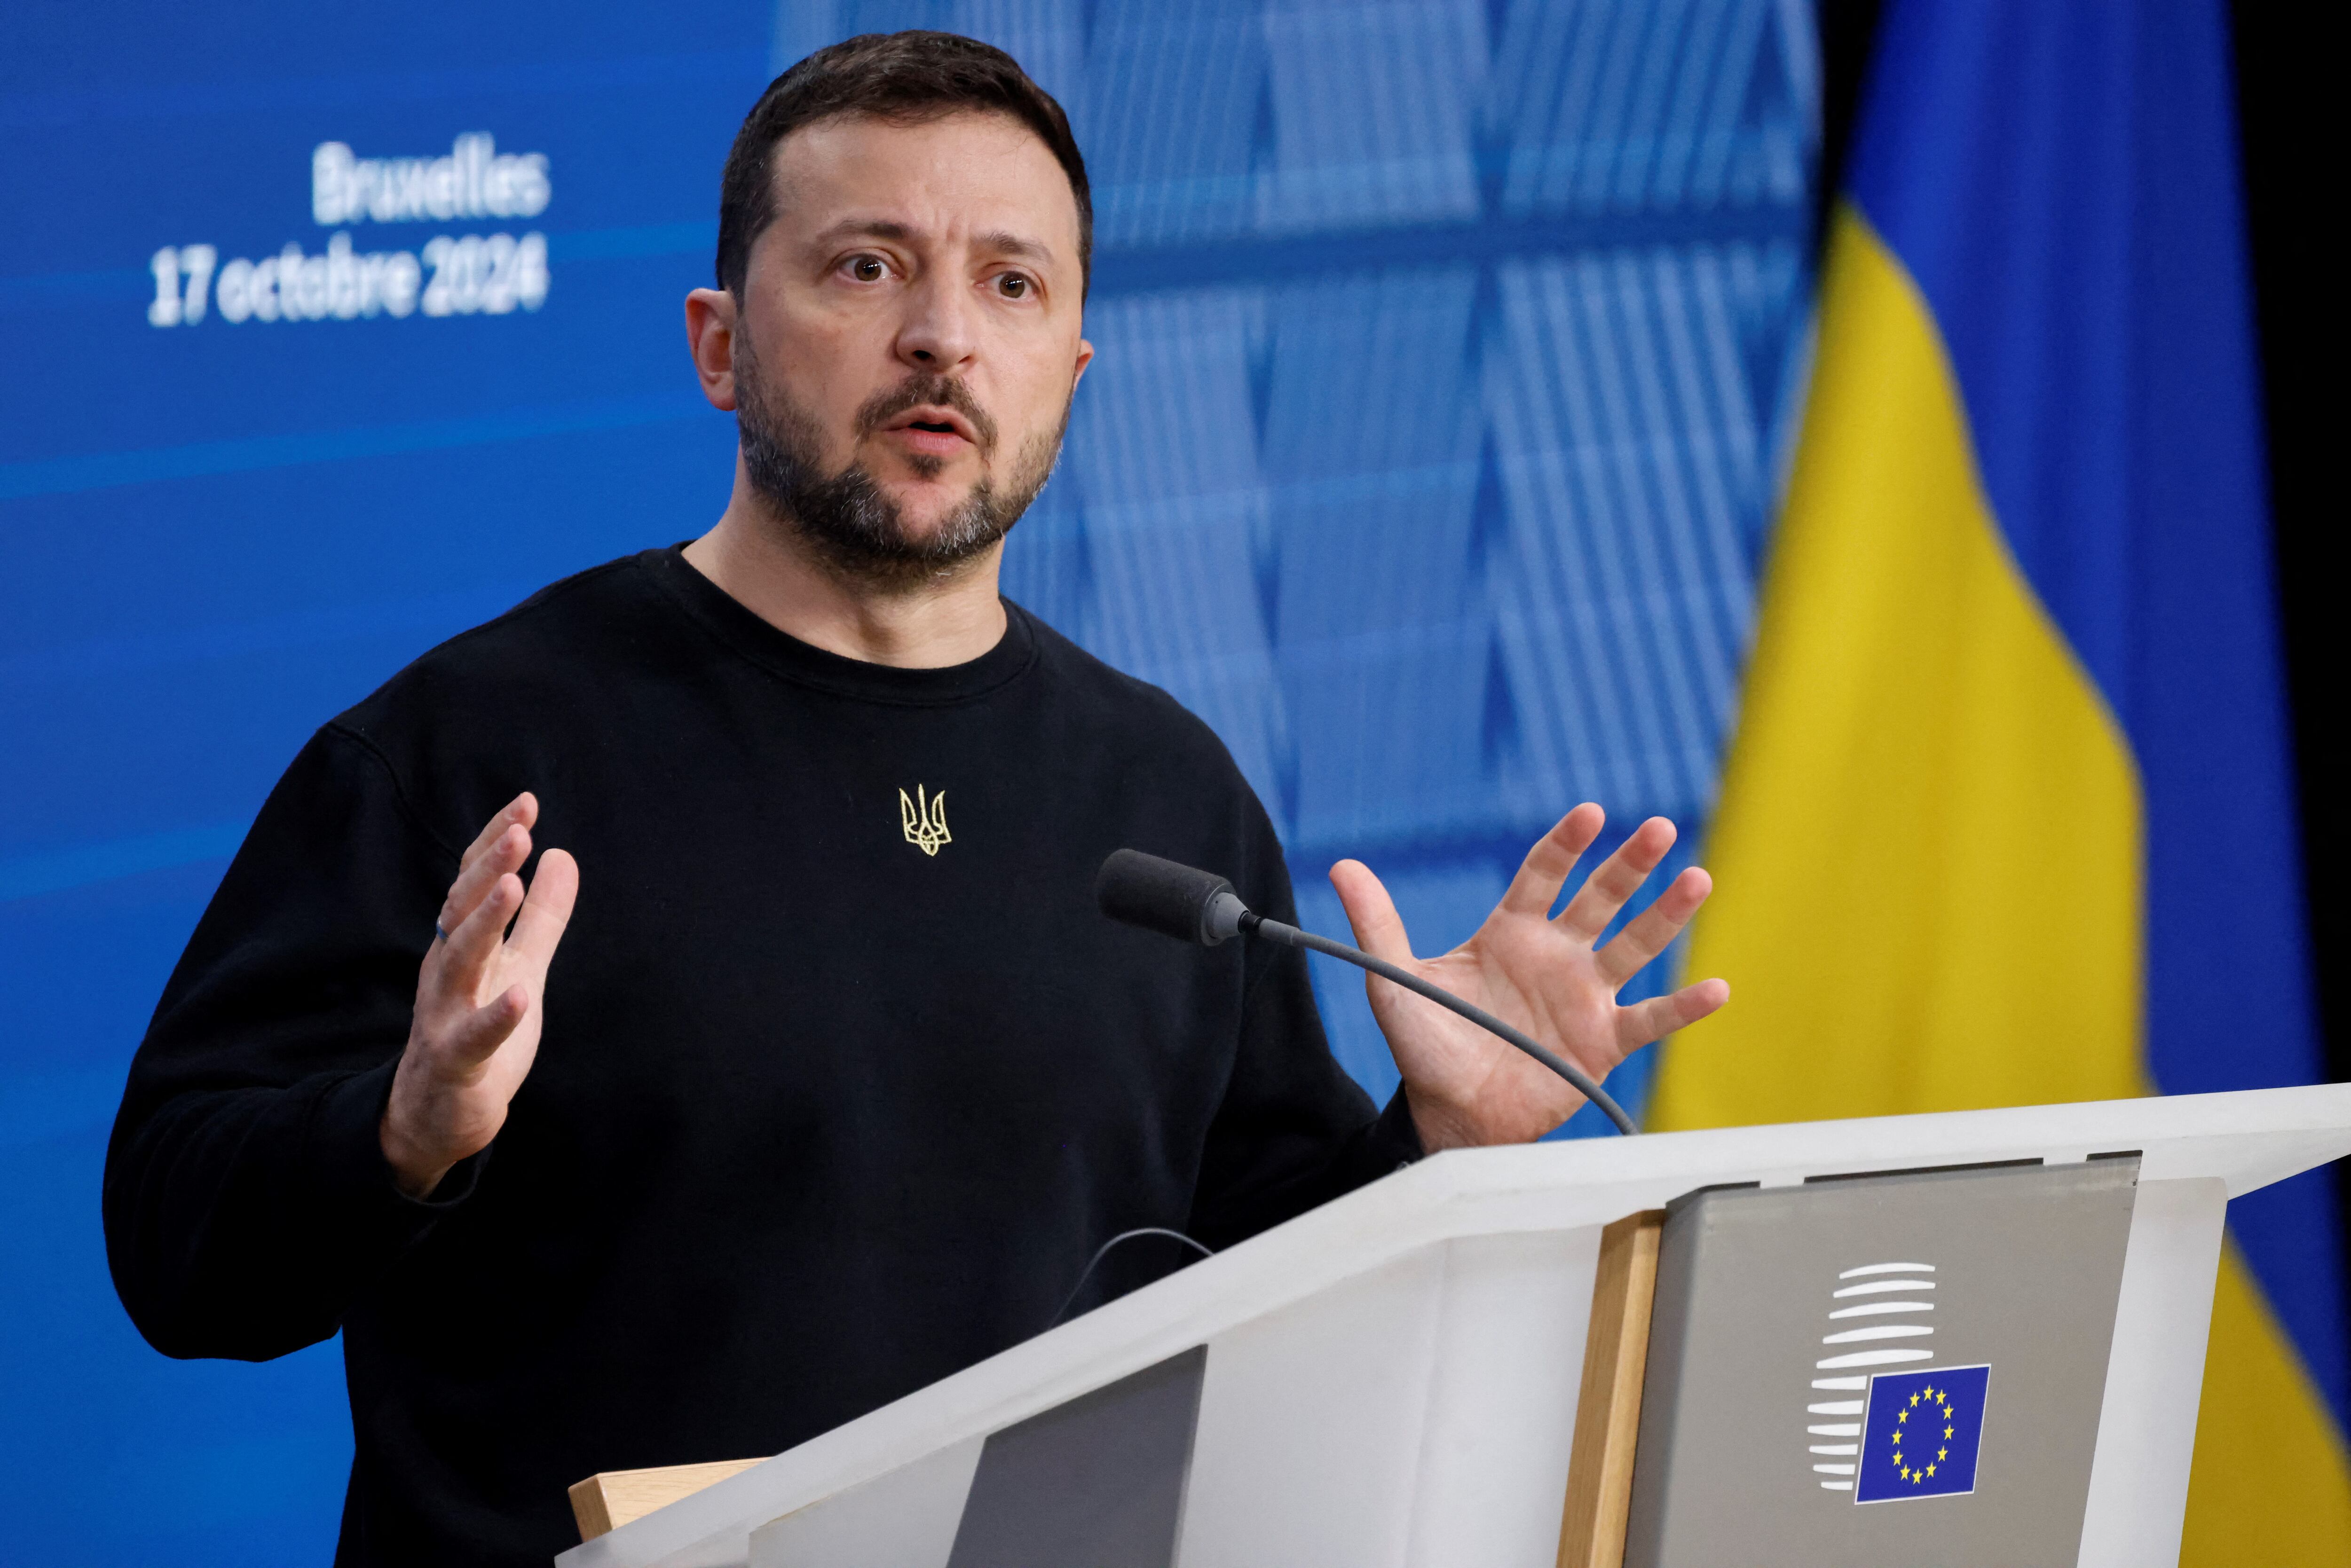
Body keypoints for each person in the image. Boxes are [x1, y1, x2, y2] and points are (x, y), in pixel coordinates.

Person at [103, 31, 1728, 1567]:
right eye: (868, 266)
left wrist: (1434, 1144)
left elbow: (1256, 1310)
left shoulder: (1163, 797)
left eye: (1010, 284)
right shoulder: (470, 756)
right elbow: (172, 1246)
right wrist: (405, 1133)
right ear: (720, 344)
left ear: (1070, 369)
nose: (945, 335)